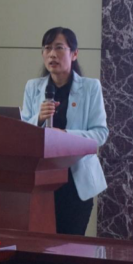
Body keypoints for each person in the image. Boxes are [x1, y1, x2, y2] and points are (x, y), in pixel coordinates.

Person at [20, 27, 109, 236]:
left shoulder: (90, 88)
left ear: (74, 53)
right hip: (41, 182)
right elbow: (22, 133)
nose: (52, 54)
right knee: (40, 244)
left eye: (59, 48)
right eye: (47, 48)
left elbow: (100, 134)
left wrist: (65, 136)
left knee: (70, 245)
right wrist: (38, 119)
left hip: (75, 182)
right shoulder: (33, 87)